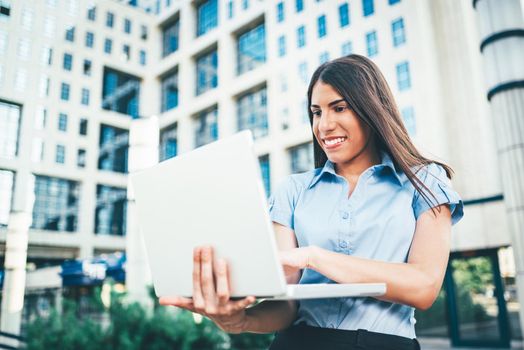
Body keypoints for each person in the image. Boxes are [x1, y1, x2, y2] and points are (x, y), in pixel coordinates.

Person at [159, 54, 464, 350]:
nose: (324, 125)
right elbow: (287, 304)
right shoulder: (293, 189)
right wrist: (239, 320)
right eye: (316, 112)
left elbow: (424, 287)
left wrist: (314, 257)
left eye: (339, 108)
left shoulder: (424, 180)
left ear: (372, 109)